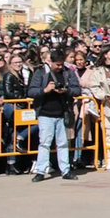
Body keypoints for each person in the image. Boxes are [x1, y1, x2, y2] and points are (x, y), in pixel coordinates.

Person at [28, 48, 81, 182]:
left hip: (62, 113)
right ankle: (41, 171)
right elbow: (31, 91)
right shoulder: (41, 73)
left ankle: (66, 170)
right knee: (44, 143)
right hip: (45, 113)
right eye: (57, 64)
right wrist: (45, 90)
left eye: (61, 64)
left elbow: (77, 89)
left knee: (63, 143)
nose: (59, 67)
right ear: (51, 62)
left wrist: (66, 90)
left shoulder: (68, 73)